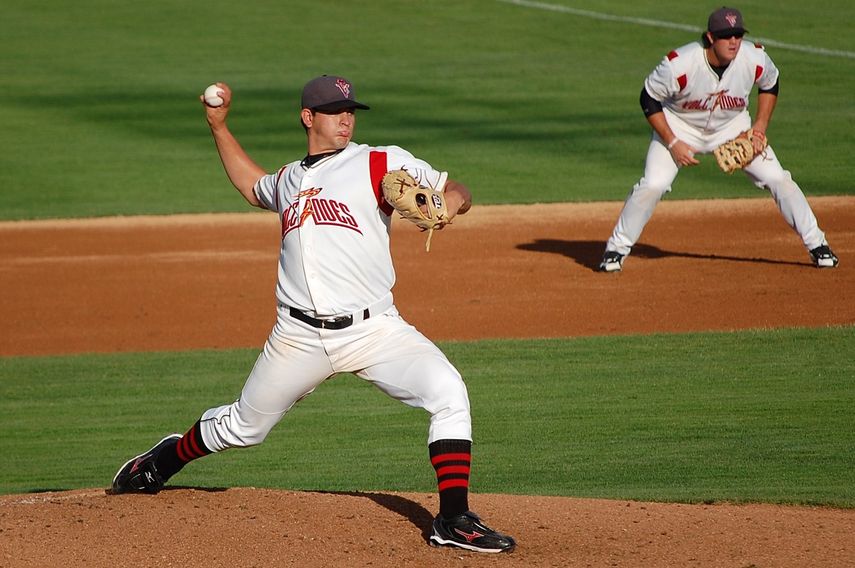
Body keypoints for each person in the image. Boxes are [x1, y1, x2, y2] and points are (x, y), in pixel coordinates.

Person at [109, 75, 516, 554]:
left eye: (350, 110)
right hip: (297, 337)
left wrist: (447, 206)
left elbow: (458, 189)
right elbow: (250, 185)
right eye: (332, 110)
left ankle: (452, 519)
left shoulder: (378, 161)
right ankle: (163, 461)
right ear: (308, 117)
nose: (345, 118)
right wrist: (218, 126)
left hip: (374, 328)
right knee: (244, 427)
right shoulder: (288, 179)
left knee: (449, 392)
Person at [599, 7, 839, 272]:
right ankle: (616, 249)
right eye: (727, 36)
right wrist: (671, 142)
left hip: (732, 127)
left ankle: (818, 244)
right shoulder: (680, 64)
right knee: (654, 184)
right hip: (679, 127)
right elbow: (648, 97)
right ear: (711, 37)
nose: (734, 41)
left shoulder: (753, 57)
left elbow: (771, 82)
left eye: (738, 34)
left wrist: (759, 126)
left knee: (777, 178)